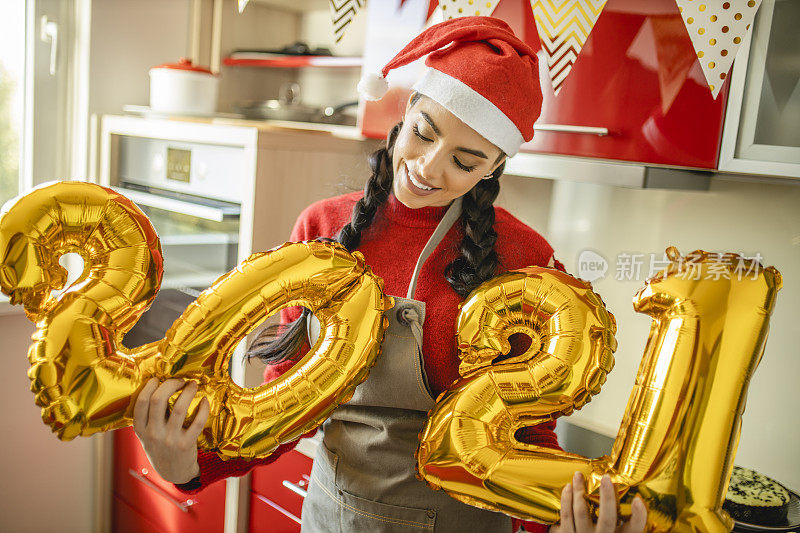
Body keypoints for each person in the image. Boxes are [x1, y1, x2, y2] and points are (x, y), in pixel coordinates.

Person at [132, 16, 648, 533]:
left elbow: (526, 440)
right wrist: (190, 467)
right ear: (407, 110)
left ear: (492, 167)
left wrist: (568, 519)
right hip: (329, 518)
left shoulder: (526, 258)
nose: (427, 166)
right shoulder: (322, 227)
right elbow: (283, 402)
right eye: (424, 133)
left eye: (464, 162)